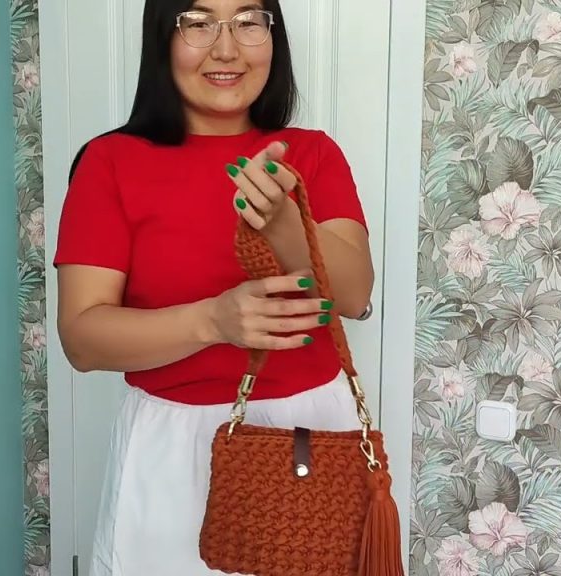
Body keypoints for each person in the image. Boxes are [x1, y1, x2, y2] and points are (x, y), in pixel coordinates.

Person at [52, 0, 374, 573]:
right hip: (168, 451)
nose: (226, 48)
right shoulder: (110, 162)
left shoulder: (313, 154)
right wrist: (214, 321)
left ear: (273, 37)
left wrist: (283, 224)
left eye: (248, 21)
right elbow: (82, 339)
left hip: (311, 440)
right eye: (197, 23)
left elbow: (352, 296)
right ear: (162, 38)